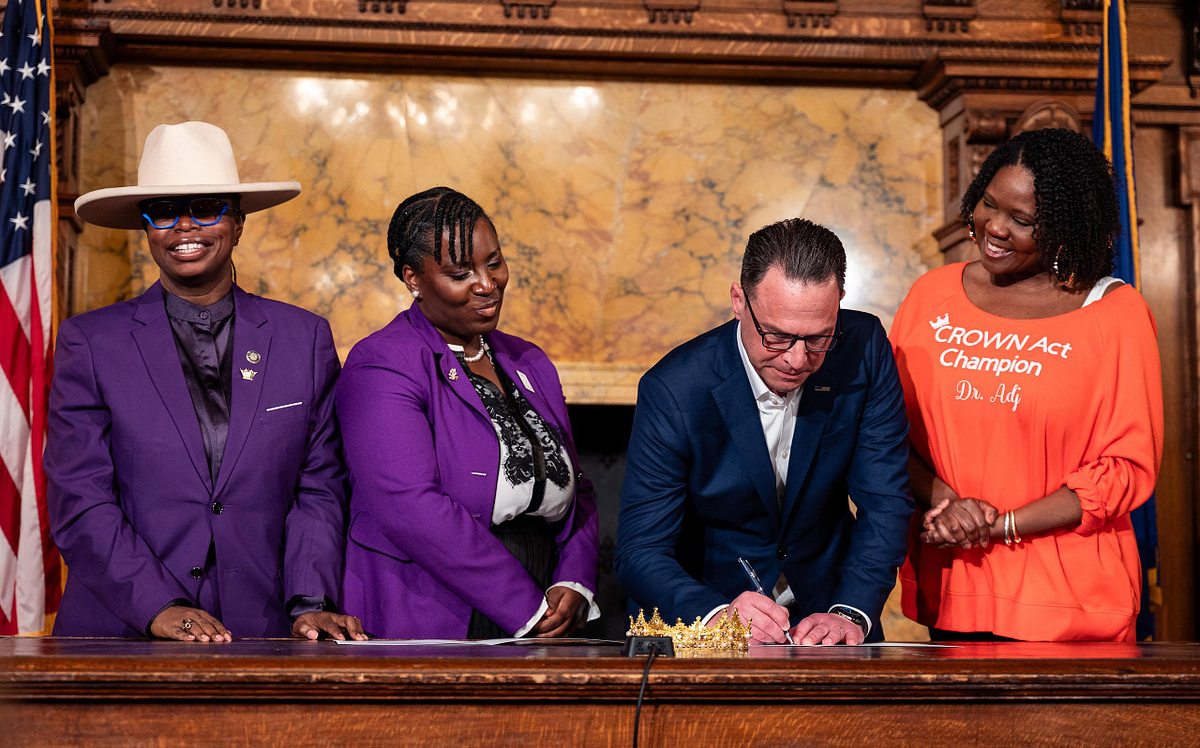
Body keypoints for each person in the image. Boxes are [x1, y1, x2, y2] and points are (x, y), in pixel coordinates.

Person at [47, 121, 366, 642]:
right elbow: (79, 499)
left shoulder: (302, 338)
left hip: (267, 629)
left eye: (205, 208)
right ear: (145, 227)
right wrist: (158, 606)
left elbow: (321, 487)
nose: (184, 228)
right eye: (165, 212)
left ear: (237, 222)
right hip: (123, 630)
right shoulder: (90, 342)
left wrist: (310, 600)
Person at [891, 127, 1163, 641]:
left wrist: (1001, 526)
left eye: (1022, 220)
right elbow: (884, 431)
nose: (994, 227)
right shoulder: (931, 296)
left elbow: (1126, 468)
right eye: (988, 205)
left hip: (1070, 602)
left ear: (1063, 227)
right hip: (957, 585)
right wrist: (947, 504)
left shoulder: (1116, 315)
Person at [615, 218, 913, 645]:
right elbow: (638, 550)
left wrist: (852, 609)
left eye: (818, 338)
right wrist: (716, 614)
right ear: (739, 301)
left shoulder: (864, 348)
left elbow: (885, 501)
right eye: (775, 336)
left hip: (830, 613)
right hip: (708, 611)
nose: (796, 359)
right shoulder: (675, 388)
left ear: (839, 304)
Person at [337, 186, 599, 639]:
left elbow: (579, 485)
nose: (486, 283)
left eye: (494, 262)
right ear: (413, 279)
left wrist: (574, 581)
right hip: (437, 604)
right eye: (460, 273)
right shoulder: (383, 361)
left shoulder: (529, 360)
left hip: (547, 596)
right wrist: (527, 608)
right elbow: (409, 505)